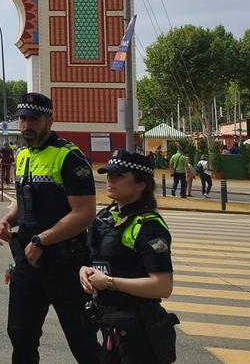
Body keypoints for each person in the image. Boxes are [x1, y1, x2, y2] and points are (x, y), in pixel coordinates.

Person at [0, 92, 99, 364]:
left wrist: (43, 240)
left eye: (33, 119)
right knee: (20, 337)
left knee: (83, 342)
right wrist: (6, 220)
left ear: (49, 120)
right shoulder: (23, 154)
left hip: (66, 264)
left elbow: (84, 213)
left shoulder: (70, 157)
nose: (26, 125)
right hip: (28, 262)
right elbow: (24, 203)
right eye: (22, 119)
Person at [81, 150, 178, 363]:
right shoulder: (106, 217)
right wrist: (83, 271)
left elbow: (162, 286)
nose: (111, 180)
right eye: (109, 175)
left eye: (119, 176)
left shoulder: (149, 226)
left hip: (139, 335)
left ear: (141, 184)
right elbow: (92, 258)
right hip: (110, 325)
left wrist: (110, 282)